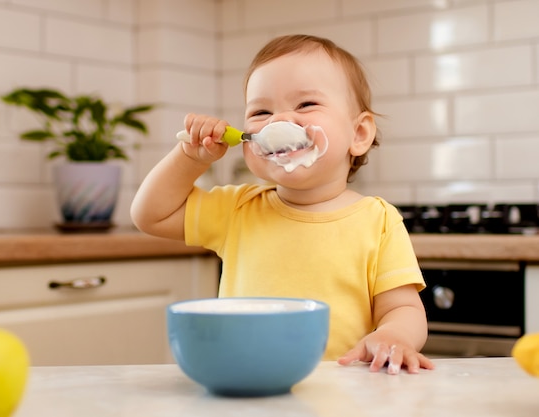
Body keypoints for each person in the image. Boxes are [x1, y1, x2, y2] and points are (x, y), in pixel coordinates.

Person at [131, 34, 435, 375]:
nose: (279, 121)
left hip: (344, 390)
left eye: (306, 105)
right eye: (261, 112)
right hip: (245, 382)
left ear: (359, 134)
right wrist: (190, 158)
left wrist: (392, 334)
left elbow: (404, 308)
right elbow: (149, 216)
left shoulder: (378, 220)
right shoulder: (238, 209)